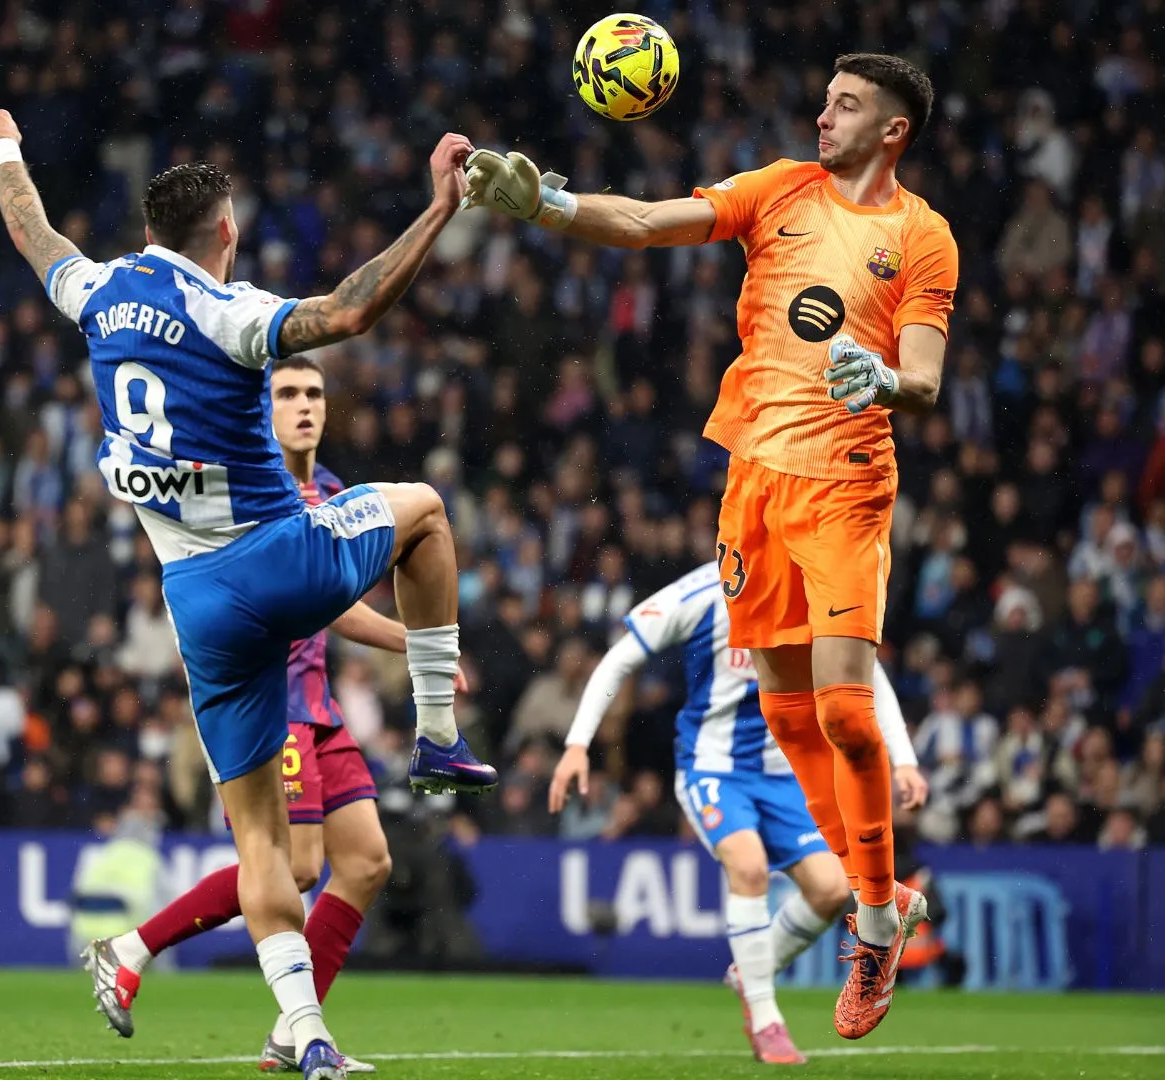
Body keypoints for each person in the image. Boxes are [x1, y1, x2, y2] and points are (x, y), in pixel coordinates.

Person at [0, 108, 494, 1080]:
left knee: (264, 845)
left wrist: (5, 147)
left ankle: (308, 1035)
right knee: (423, 508)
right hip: (275, 556)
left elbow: (33, 230)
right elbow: (347, 310)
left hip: (196, 603)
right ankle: (436, 735)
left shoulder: (94, 293)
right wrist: (438, 210)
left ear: (144, 235)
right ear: (226, 233)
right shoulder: (227, 309)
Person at [467, 53, 955, 1038]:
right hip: (754, 488)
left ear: (894, 129)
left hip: (849, 484)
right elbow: (649, 222)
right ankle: (877, 910)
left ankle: (870, 922)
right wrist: (547, 208)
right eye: (824, 96)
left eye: (848, 104)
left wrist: (885, 382)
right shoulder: (778, 189)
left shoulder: (922, 236)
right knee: (791, 716)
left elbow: (928, 379)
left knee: (851, 715)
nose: (824, 113)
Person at [85, 357, 457, 1074]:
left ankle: (293, 1032)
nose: (304, 406)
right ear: (264, 408)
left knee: (368, 862)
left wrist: (414, 641)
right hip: (269, 702)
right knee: (296, 866)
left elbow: (337, 599)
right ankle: (133, 949)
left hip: (317, 705)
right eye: (287, 393)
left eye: (314, 393)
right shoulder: (247, 486)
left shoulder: (336, 492)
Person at [550, 562, 930, 1064]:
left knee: (833, 889)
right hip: (713, 770)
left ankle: (752, 969)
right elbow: (619, 659)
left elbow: (869, 676)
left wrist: (903, 760)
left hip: (784, 777)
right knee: (748, 868)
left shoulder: (812, 588)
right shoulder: (707, 591)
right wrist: (578, 744)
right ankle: (766, 1018)